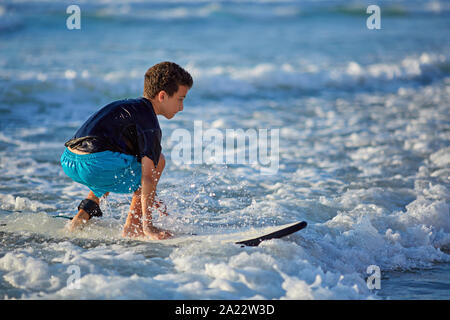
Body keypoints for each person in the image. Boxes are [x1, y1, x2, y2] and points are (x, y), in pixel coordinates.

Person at [60, 61, 193, 240]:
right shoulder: (150, 125)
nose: (181, 107)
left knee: (122, 161)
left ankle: (80, 218)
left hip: (70, 159)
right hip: (97, 164)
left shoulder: (130, 106)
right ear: (162, 96)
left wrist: (151, 198)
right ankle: (135, 226)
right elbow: (146, 177)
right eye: (180, 99)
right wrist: (149, 224)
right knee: (158, 161)